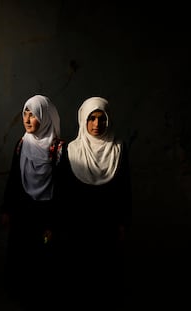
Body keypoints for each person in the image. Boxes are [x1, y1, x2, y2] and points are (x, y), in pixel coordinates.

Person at [56, 96, 132, 309]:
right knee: (79, 272)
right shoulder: (71, 150)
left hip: (107, 224)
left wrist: (123, 223)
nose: (97, 124)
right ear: (83, 120)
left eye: (102, 119)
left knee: (107, 272)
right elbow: (63, 192)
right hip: (78, 225)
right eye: (91, 118)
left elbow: (125, 188)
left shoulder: (118, 148)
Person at [0, 94, 66, 311]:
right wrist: (7, 210)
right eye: (25, 114)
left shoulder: (58, 150)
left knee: (44, 255)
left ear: (45, 118)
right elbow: (13, 179)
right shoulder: (22, 144)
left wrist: (54, 223)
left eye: (34, 115)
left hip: (46, 213)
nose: (27, 120)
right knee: (23, 254)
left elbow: (63, 189)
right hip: (23, 210)